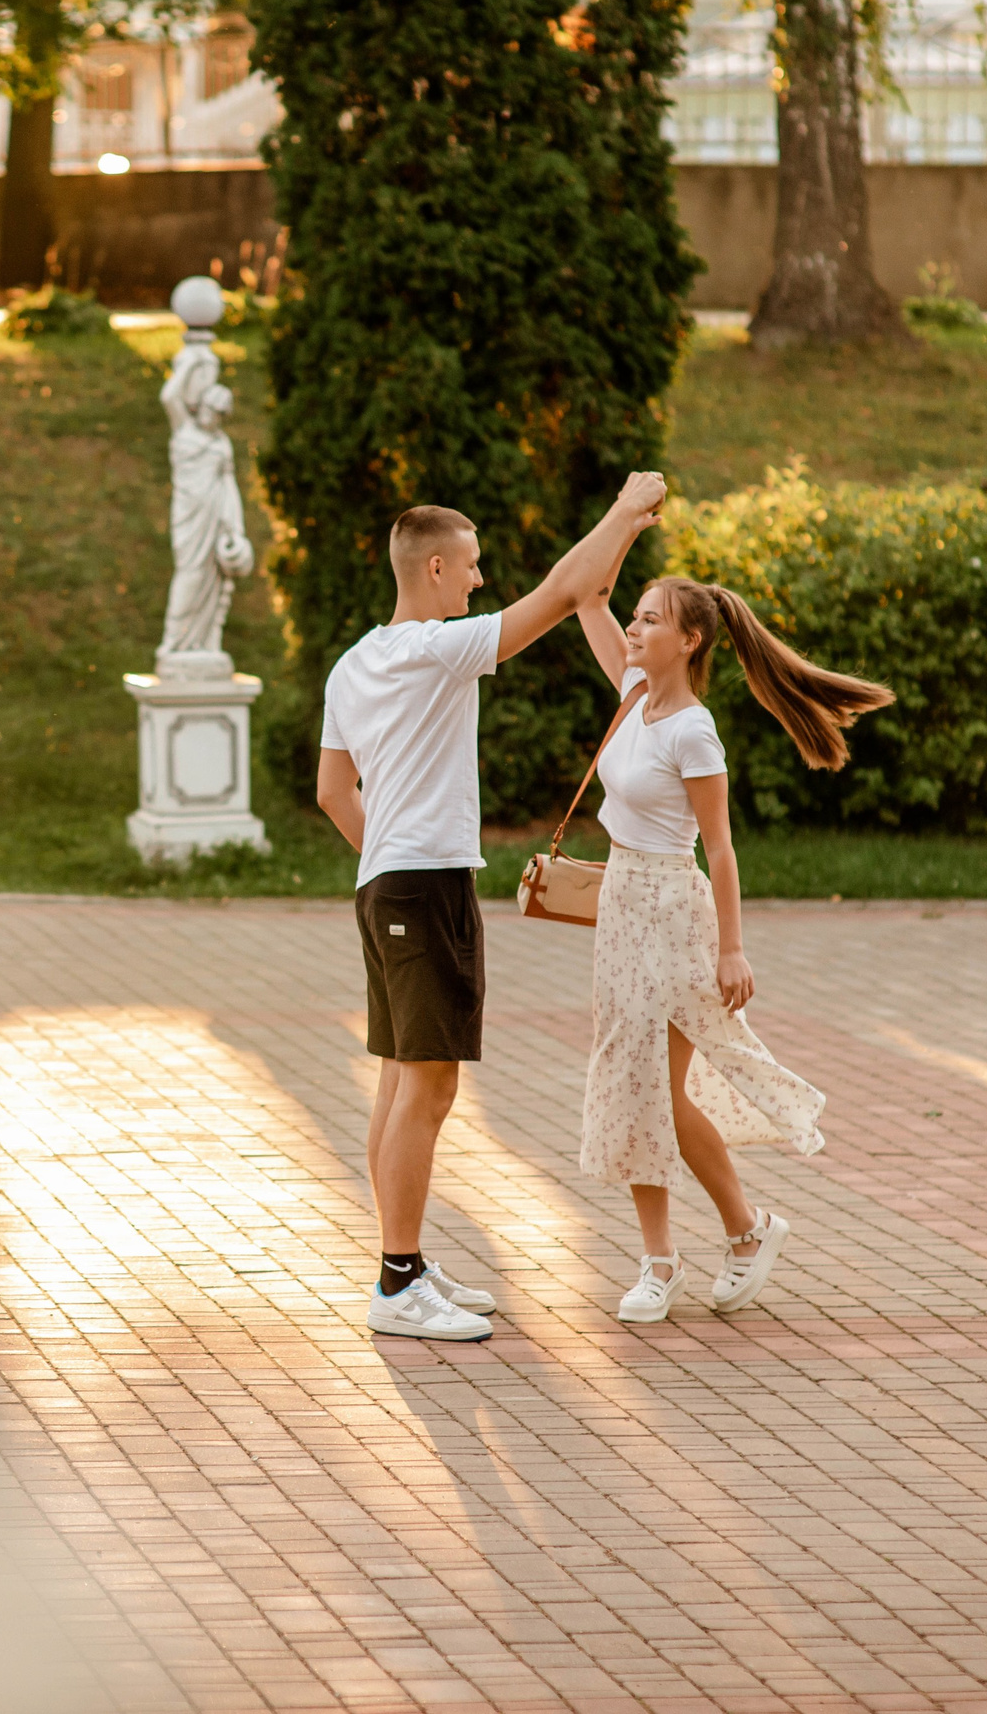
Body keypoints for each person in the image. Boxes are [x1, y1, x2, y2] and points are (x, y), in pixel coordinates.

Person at [317, 474, 669, 1343]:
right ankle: (398, 1283)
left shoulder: (356, 659)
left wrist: (386, 858)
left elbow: (332, 792)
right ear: (435, 567)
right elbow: (559, 594)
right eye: (471, 567)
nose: (479, 581)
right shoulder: (430, 649)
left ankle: (405, 1262)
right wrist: (623, 512)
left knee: (404, 1077)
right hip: (420, 884)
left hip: (391, 883)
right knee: (428, 1084)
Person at [570, 577, 892, 1324]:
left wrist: (733, 949)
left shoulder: (693, 729)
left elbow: (719, 848)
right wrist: (625, 516)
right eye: (636, 615)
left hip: (674, 914)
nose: (634, 626)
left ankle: (739, 1234)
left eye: (651, 619)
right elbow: (585, 595)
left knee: (656, 1090)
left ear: (690, 641)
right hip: (620, 905)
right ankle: (669, 1255)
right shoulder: (631, 691)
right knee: (629, 1085)